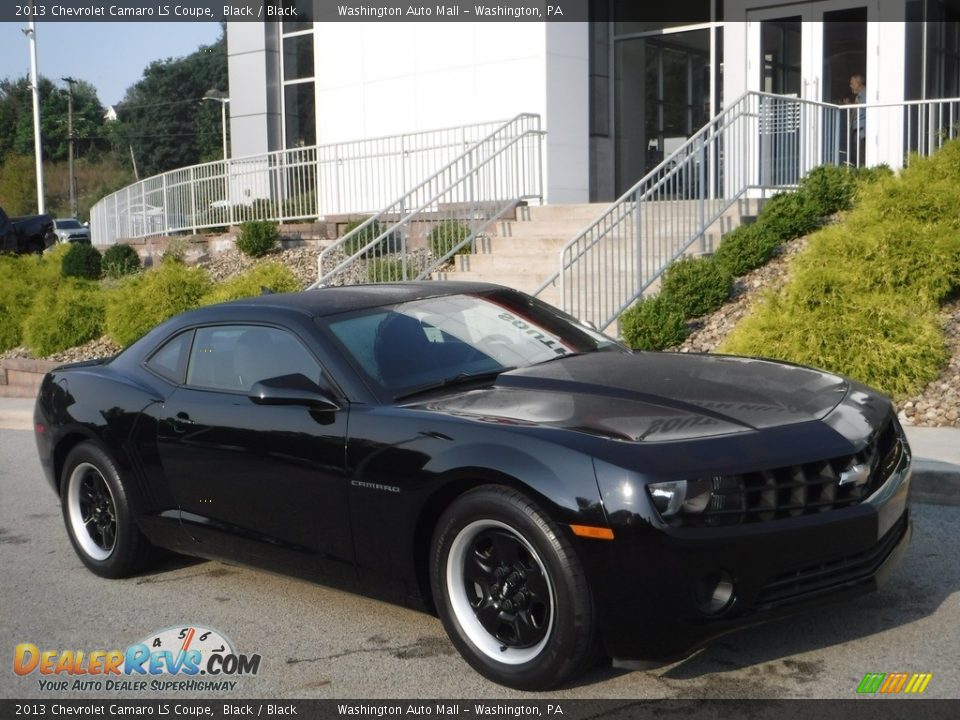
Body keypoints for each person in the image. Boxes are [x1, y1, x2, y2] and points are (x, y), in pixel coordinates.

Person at [848, 74, 867, 165]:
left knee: (860, 156)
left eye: (852, 83)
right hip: (858, 128)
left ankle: (862, 175)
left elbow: (867, 112)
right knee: (857, 154)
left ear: (858, 83)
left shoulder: (865, 93)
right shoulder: (859, 96)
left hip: (862, 129)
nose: (850, 86)